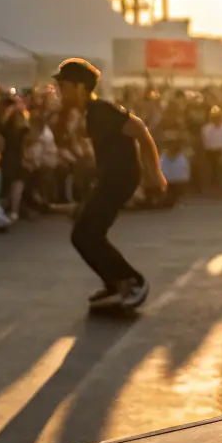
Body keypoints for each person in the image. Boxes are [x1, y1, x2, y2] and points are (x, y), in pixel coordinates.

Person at [54, 58, 165, 310]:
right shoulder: (90, 114)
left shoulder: (102, 110)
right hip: (109, 179)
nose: (61, 92)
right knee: (84, 233)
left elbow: (141, 131)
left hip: (119, 179)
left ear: (80, 87)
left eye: (64, 86)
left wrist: (154, 173)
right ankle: (115, 284)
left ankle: (132, 282)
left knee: (86, 234)